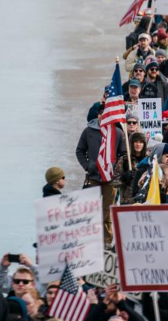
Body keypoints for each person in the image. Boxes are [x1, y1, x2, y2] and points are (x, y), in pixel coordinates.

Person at [75, 102, 126, 246]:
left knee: (107, 212)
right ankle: (89, 242)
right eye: (101, 113)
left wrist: (116, 170)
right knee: (89, 211)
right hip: (93, 177)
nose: (103, 115)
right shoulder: (88, 132)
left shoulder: (118, 133)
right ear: (98, 114)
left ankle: (107, 243)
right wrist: (87, 166)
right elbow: (79, 151)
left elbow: (123, 155)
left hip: (110, 179)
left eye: (106, 113)